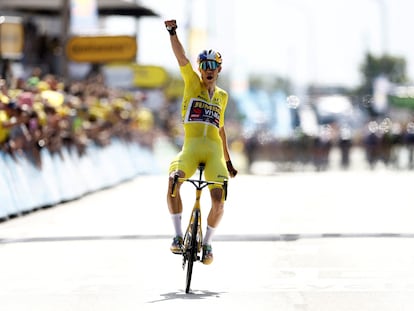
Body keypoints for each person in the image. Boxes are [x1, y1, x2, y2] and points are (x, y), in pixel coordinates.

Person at [164, 19, 238, 265]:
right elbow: (181, 57)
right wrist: (172, 32)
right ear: (200, 68)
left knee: (218, 202)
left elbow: (222, 130)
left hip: (214, 154)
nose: (208, 69)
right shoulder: (192, 82)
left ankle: (207, 243)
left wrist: (228, 161)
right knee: (174, 181)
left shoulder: (222, 96)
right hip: (191, 149)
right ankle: (177, 236)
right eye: (204, 65)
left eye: (212, 66)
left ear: (218, 70)